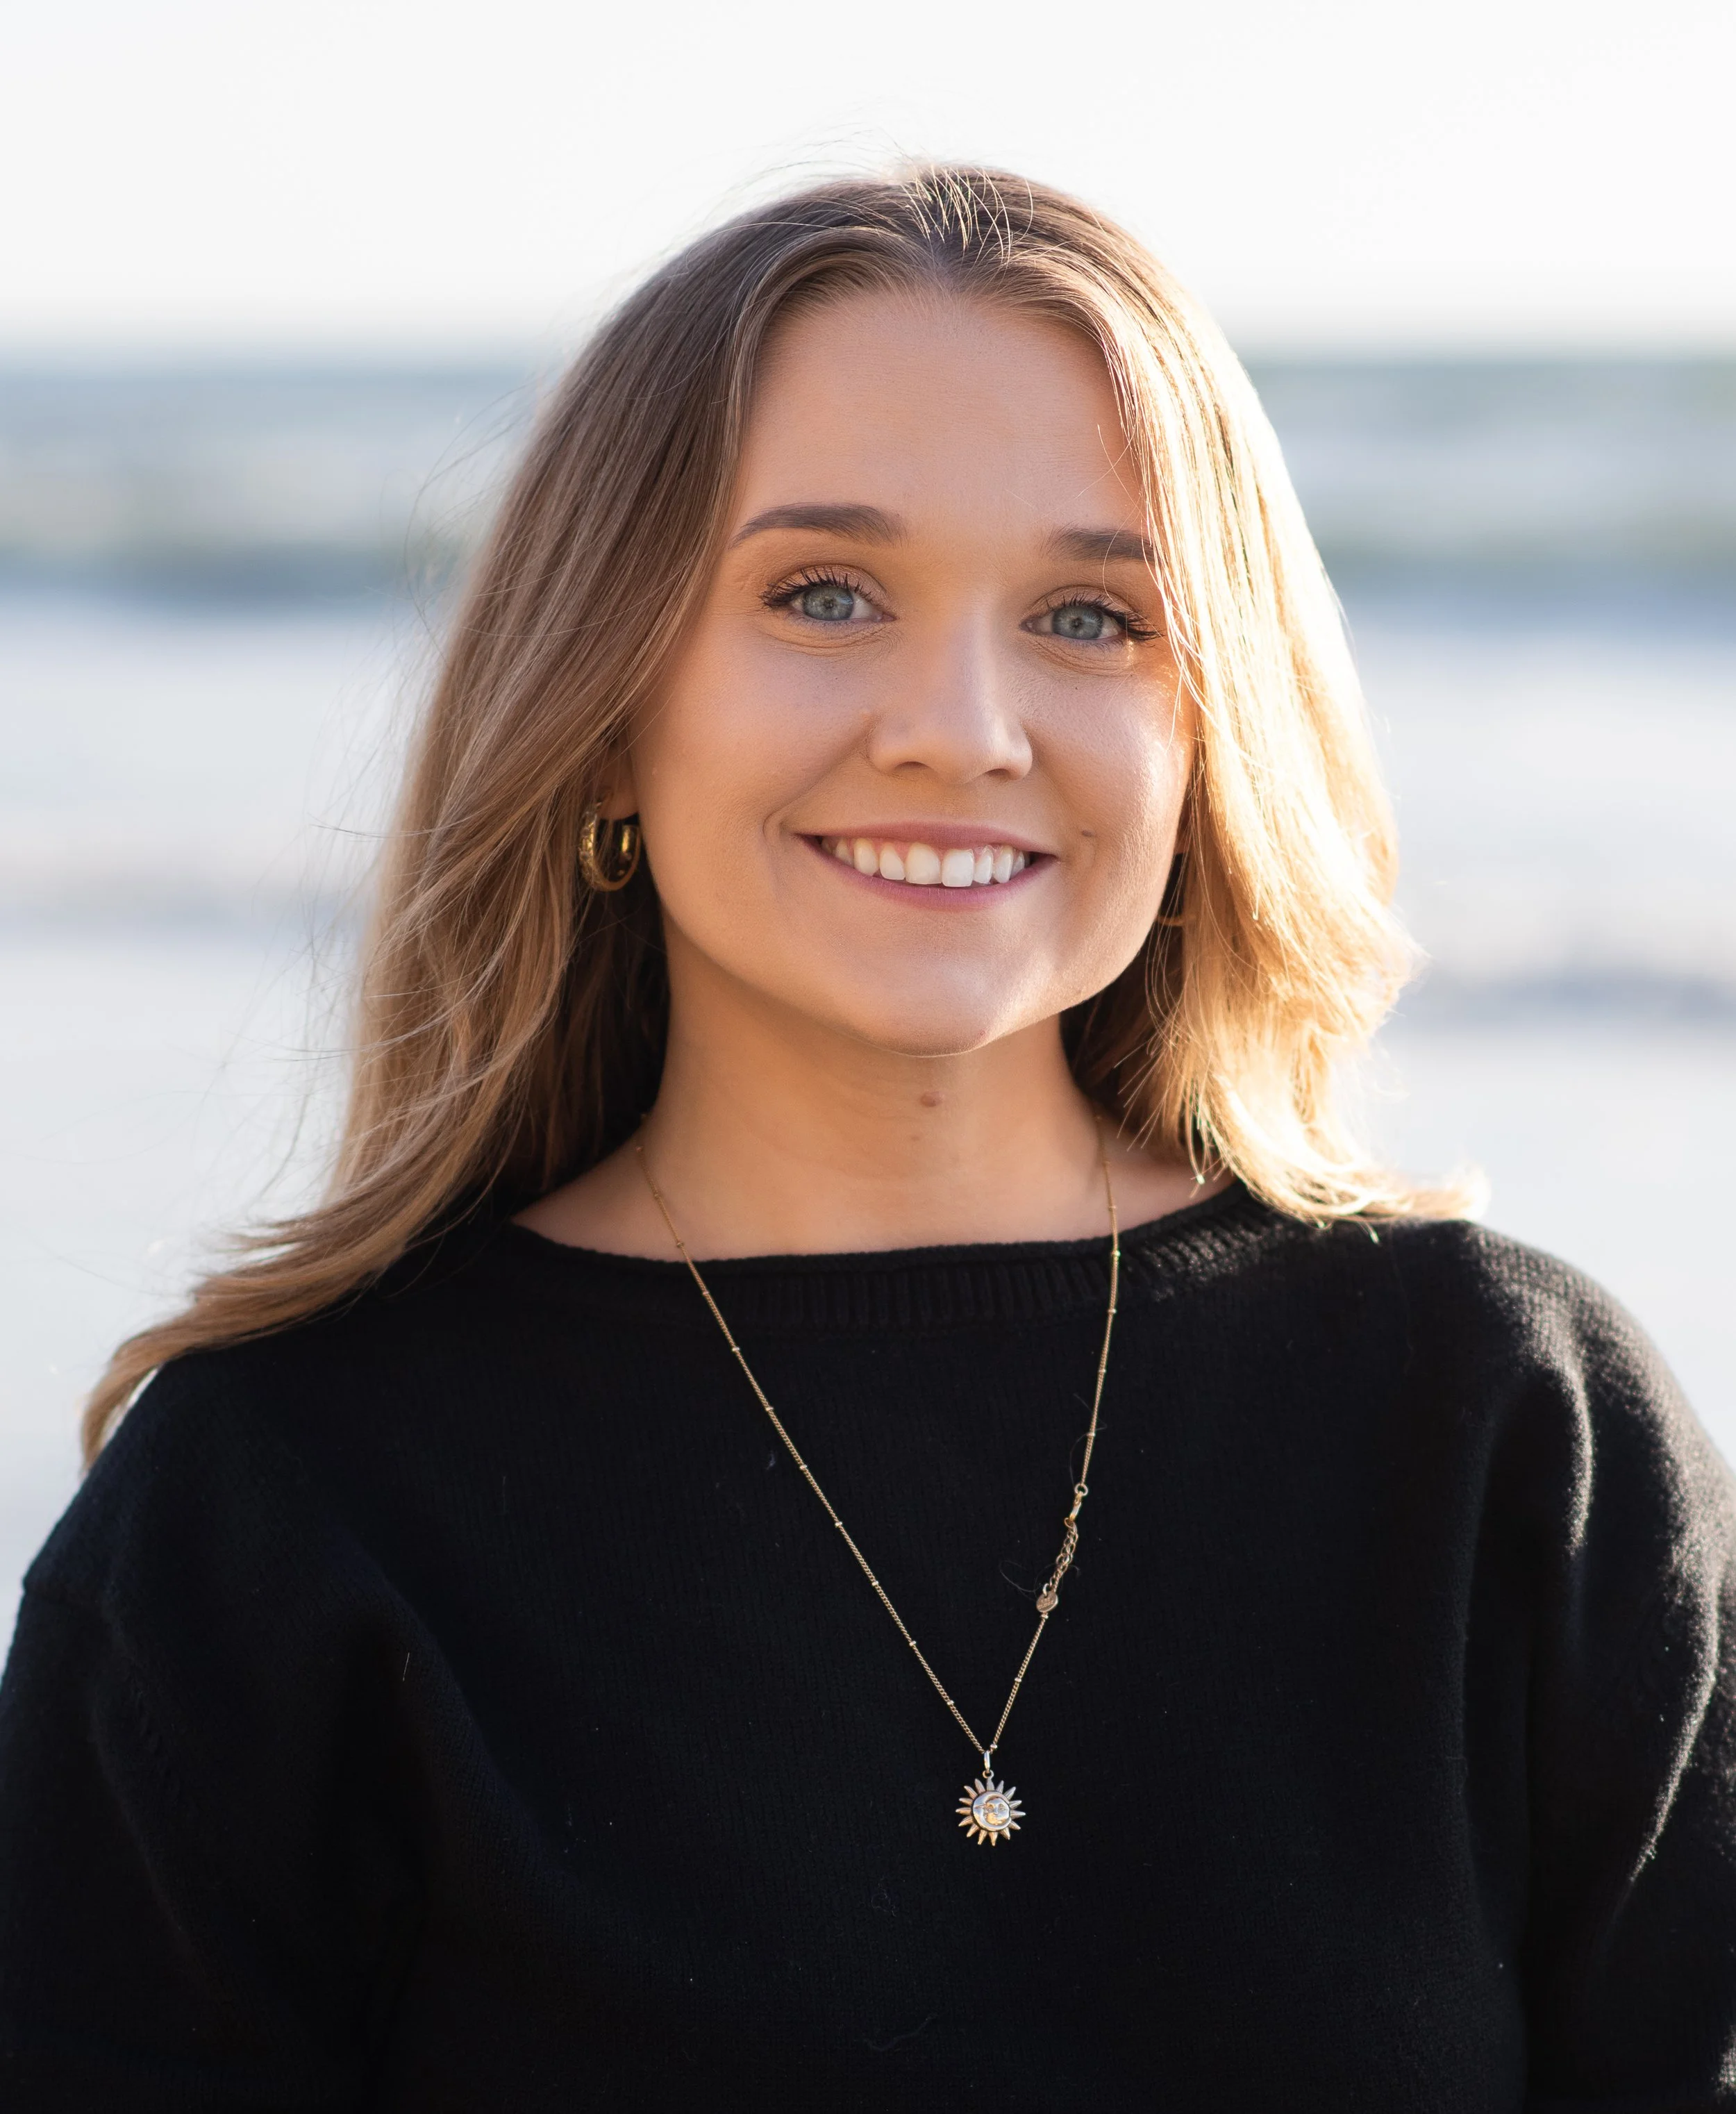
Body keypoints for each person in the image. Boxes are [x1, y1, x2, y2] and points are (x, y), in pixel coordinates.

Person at [1, 167, 1731, 2111]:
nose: (960, 725)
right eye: (823, 592)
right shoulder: (266, 1515)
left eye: (1091, 615)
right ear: (604, 698)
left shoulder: (1508, 1427)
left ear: (1208, 732)